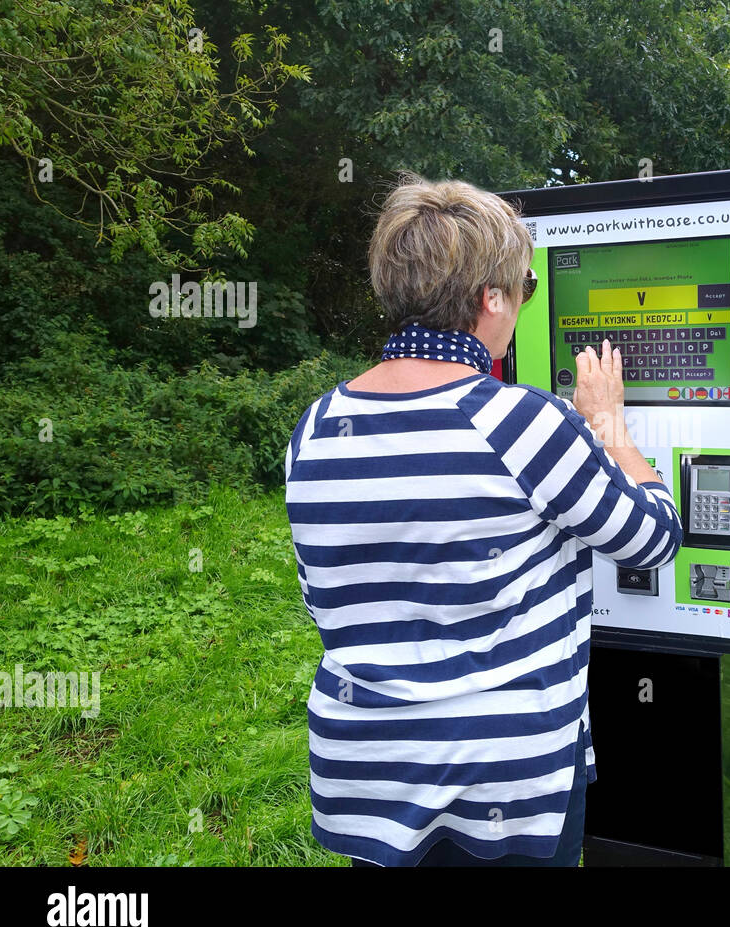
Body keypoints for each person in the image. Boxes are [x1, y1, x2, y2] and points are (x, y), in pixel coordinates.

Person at [283, 173, 682, 866]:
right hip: (503, 786)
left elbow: (330, 598)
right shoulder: (520, 422)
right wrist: (611, 425)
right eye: (524, 287)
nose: (525, 302)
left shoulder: (317, 427)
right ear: (488, 297)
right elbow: (652, 536)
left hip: (370, 782)